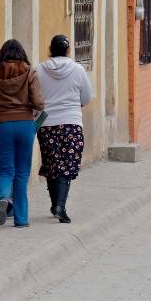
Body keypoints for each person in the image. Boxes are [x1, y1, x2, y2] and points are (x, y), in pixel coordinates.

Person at [0, 39, 45, 228]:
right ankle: (21, 219)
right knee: (21, 172)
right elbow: (39, 102)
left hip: (2, 124)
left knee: (5, 170)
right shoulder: (30, 72)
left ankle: (3, 198)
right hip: (25, 124)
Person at [36, 34, 93, 223]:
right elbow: (86, 98)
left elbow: (34, 97)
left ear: (50, 49)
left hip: (46, 124)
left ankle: (55, 204)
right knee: (66, 166)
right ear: (68, 50)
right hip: (71, 124)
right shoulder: (78, 70)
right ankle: (60, 206)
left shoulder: (38, 70)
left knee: (52, 164)